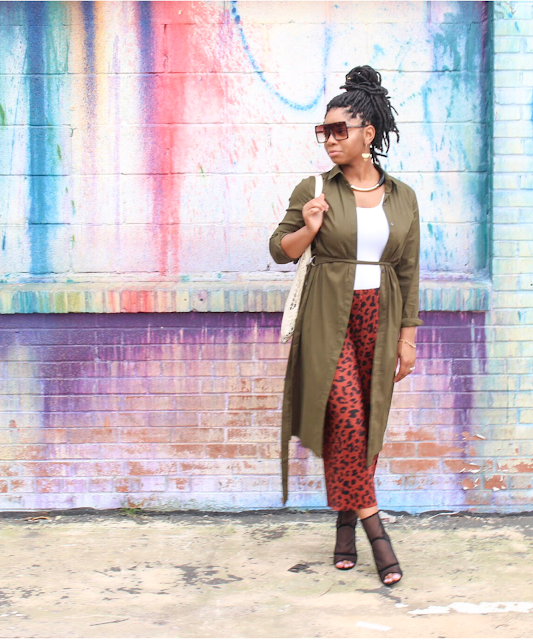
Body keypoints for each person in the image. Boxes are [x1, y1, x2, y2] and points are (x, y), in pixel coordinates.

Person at [268, 65, 423, 586]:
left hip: (381, 315)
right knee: (348, 420)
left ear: (368, 134)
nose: (330, 139)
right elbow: (280, 250)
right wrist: (309, 228)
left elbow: (408, 269)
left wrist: (407, 337)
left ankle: (343, 527)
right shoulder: (314, 189)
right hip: (326, 317)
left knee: (368, 424)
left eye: (340, 130)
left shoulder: (402, 196)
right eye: (324, 131)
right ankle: (377, 531)